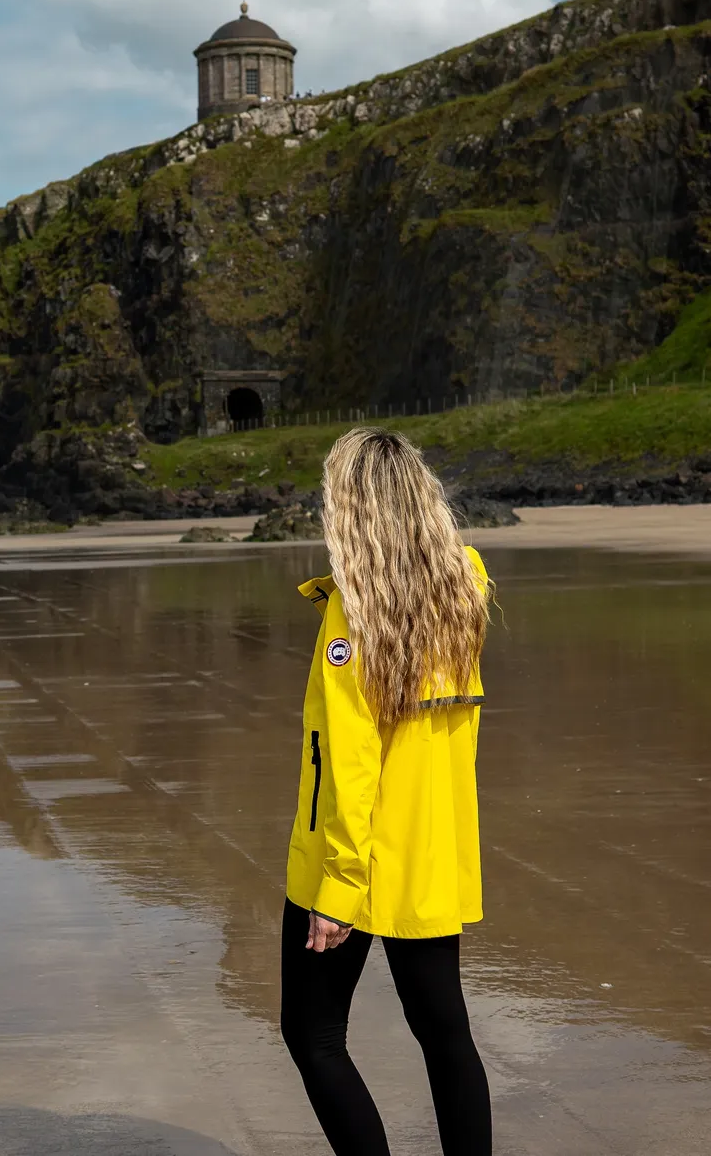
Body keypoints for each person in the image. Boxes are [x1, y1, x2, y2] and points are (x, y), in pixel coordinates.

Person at [281, 427, 493, 1156]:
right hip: (431, 856)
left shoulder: (353, 615)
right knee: (445, 1035)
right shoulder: (466, 584)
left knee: (312, 1037)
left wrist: (336, 889)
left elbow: (352, 758)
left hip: (353, 861)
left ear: (353, 508)